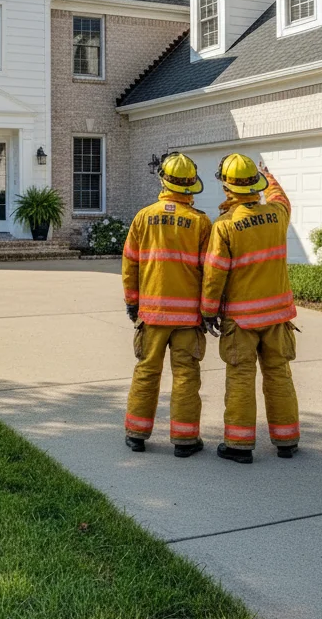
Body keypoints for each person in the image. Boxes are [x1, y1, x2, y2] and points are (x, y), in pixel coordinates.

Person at [200, 153, 300, 464]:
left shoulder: (226, 226)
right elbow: (281, 197)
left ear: (227, 188)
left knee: (241, 377)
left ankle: (239, 445)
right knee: (279, 374)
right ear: (254, 184)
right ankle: (287, 440)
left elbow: (214, 273)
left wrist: (207, 311)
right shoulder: (277, 214)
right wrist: (268, 175)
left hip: (241, 319)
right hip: (277, 315)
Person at [121, 152, 212, 457]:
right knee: (186, 374)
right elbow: (209, 272)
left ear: (163, 180)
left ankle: (136, 434)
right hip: (188, 317)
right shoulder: (200, 222)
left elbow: (130, 265)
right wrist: (208, 310)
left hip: (153, 314)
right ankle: (185, 440)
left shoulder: (143, 218)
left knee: (147, 371)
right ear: (190, 186)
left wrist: (133, 303)